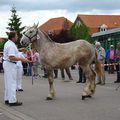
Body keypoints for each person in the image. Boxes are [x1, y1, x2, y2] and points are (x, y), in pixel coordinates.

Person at [3, 31, 30, 106]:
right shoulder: (11, 45)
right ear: (13, 37)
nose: (17, 37)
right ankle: (12, 101)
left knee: (8, 83)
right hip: (10, 64)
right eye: (16, 36)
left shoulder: (9, 43)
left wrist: (20, 50)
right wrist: (23, 59)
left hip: (8, 64)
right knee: (12, 83)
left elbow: (14, 53)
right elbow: (12, 57)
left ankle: (7, 99)